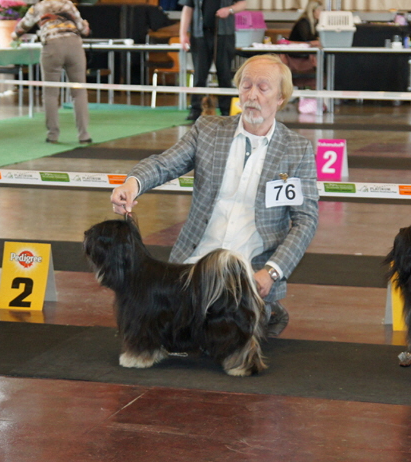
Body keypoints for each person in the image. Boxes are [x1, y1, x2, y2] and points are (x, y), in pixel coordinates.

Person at [110, 55, 319, 337]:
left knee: (226, 339)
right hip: (192, 270)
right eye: (246, 86)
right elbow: (164, 164)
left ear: (281, 97)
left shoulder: (298, 150)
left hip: (248, 277)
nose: (252, 95)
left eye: (262, 88)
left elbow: (305, 221)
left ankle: (263, 312)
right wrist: (132, 184)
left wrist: (271, 272)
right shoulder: (207, 130)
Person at [15, 0, 92, 144]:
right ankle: (84, 135)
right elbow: (84, 30)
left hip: (52, 47)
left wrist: (14, 36)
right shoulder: (68, 4)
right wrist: (86, 25)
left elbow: (20, 29)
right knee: (79, 92)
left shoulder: (38, 7)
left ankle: (53, 135)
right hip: (74, 45)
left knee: (50, 93)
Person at [178, 0, 246, 121]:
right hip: (200, 36)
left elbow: (242, 3)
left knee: (224, 74)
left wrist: (229, 10)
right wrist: (183, 33)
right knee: (199, 75)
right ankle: (195, 109)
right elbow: (187, 8)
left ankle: (226, 109)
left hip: (224, 35)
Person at [280, 0, 322, 89]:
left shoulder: (314, 23)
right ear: (313, 11)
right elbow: (307, 39)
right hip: (296, 55)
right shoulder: (303, 23)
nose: (321, 13)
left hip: (303, 53)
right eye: (319, 10)